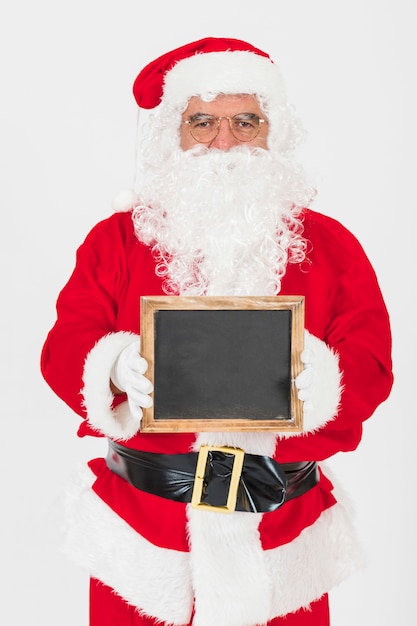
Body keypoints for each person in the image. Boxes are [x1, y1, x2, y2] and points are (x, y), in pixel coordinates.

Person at [41, 37, 393, 626]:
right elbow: (63, 348)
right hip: (144, 539)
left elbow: (372, 364)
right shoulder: (117, 241)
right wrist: (113, 365)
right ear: (173, 136)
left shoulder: (331, 245)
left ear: (272, 132)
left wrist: (323, 384)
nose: (224, 140)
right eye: (202, 121)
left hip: (280, 535)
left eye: (245, 121)